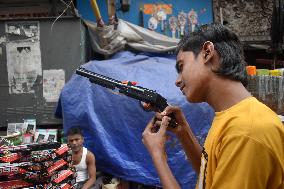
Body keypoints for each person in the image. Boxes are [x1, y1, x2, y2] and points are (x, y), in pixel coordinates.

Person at [142, 23, 284, 189]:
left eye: (182, 67)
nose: (177, 80)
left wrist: (158, 156)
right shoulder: (231, 117)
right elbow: (209, 177)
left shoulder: (246, 131)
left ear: (207, 53)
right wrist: (183, 132)